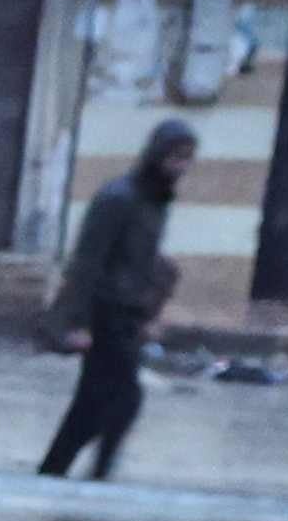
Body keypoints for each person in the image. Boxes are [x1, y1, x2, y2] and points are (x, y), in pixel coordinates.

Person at [43, 122, 199, 480]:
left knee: (99, 403)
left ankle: (69, 469)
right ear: (157, 154)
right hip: (104, 311)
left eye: (187, 159)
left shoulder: (155, 201)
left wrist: (151, 311)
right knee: (119, 399)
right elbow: (87, 262)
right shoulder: (119, 198)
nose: (181, 166)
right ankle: (79, 470)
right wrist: (76, 322)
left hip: (129, 313)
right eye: (176, 157)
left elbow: (143, 259)